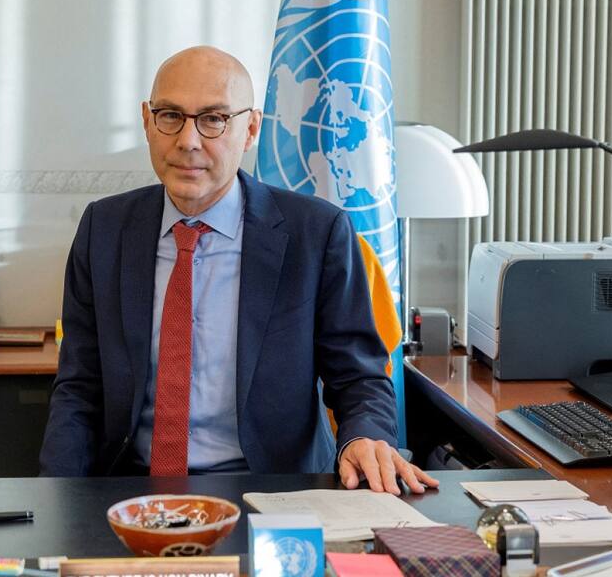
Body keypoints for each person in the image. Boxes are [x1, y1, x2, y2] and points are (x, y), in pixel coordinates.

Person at [39, 46, 438, 495]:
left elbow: (358, 376)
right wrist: (55, 501)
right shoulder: (104, 229)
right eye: (170, 115)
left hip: (276, 489)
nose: (188, 141)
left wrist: (364, 436)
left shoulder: (316, 233)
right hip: (132, 489)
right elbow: (80, 387)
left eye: (213, 119)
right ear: (148, 121)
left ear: (250, 129)